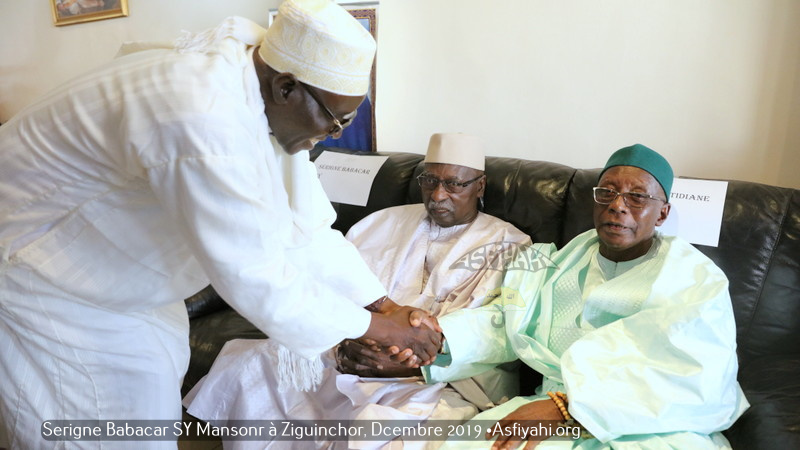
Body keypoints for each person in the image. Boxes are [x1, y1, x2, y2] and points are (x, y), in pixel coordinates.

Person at [0, 0, 439, 447]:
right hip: (42, 276)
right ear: (287, 88)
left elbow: (301, 229)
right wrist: (375, 328)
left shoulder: (259, 92)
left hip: (113, 281)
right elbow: (252, 271)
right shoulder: (201, 111)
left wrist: (381, 305)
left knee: (148, 407)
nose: (338, 133)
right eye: (336, 118)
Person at [183, 133, 535, 449]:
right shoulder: (381, 222)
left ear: (480, 186)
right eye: (429, 180)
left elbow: (495, 330)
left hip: (432, 377)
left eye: (454, 185)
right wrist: (343, 345)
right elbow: (325, 286)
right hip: (347, 351)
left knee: (394, 429)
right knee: (252, 363)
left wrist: (406, 364)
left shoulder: (509, 245)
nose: (438, 195)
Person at [418, 144, 749, 449]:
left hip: (653, 425)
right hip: (545, 408)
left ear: (662, 214)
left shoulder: (694, 279)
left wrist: (569, 407)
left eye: (637, 197)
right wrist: (437, 337)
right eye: (607, 193)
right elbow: (506, 322)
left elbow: (697, 375)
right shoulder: (559, 264)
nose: (617, 205)